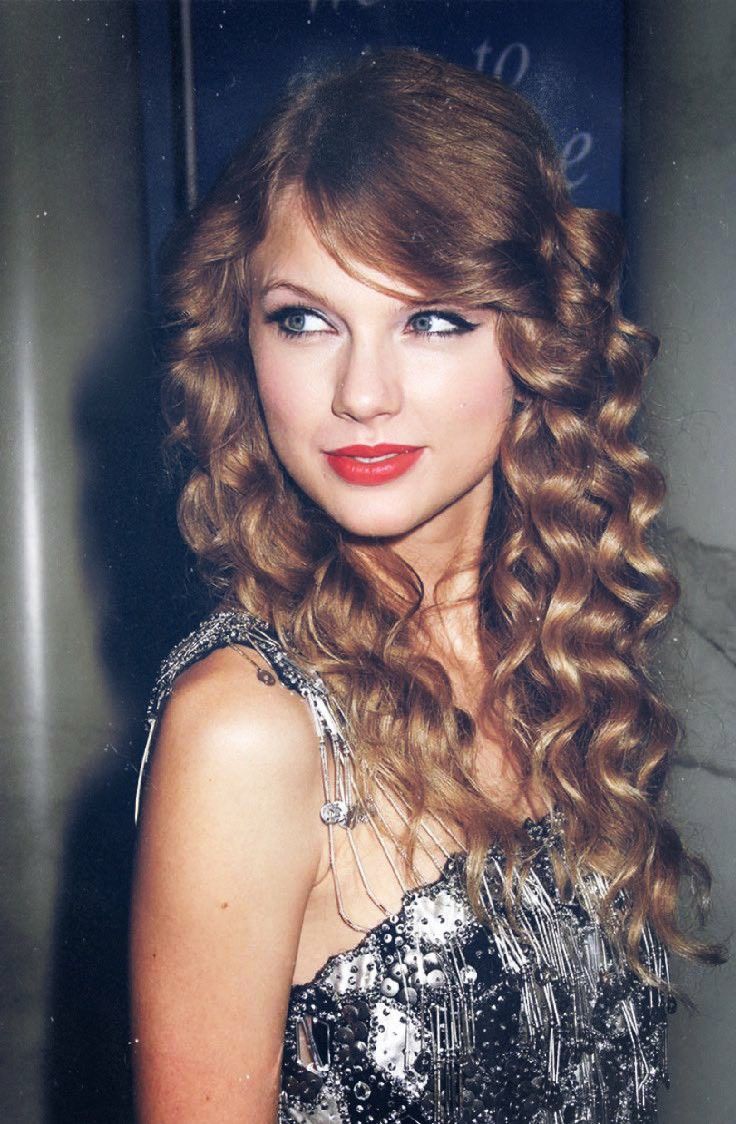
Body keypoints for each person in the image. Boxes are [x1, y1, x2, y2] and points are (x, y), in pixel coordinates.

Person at [129, 48, 722, 1124]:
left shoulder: (561, 654)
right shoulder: (248, 730)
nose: (362, 392)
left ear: (536, 338)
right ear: (241, 342)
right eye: (303, 319)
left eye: (434, 318)